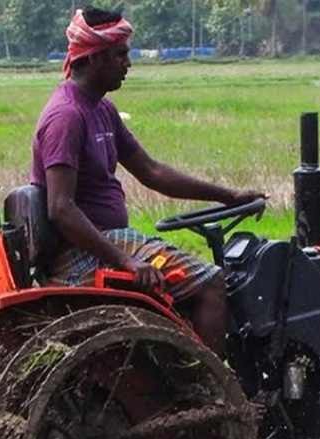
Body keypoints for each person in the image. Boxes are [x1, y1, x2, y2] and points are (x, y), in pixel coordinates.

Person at [31, 6, 265, 357]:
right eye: (121, 54)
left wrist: (227, 196)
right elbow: (60, 208)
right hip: (83, 256)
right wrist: (125, 261)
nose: (128, 63)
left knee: (186, 272)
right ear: (94, 58)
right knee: (213, 282)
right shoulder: (67, 116)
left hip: (108, 243)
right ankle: (215, 394)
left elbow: (151, 171)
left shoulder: (101, 109)